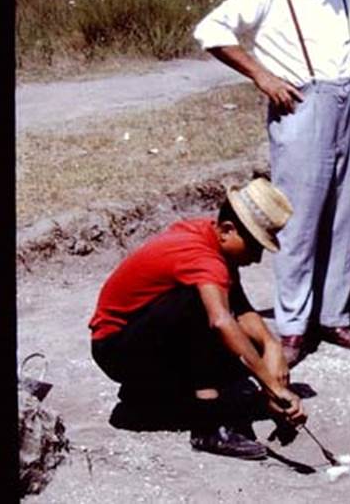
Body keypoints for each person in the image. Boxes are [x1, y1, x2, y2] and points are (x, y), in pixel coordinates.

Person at [194, 0, 350, 365]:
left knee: (344, 214)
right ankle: (293, 326)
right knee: (298, 218)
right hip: (301, 105)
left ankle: (333, 315)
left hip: (348, 103)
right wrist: (261, 75)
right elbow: (211, 29)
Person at [89, 178, 306, 460]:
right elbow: (222, 321)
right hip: (116, 350)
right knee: (206, 314)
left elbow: (240, 307)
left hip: (137, 338)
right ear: (228, 230)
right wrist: (272, 386)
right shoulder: (203, 258)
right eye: (255, 246)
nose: (257, 257)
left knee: (238, 357)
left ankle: (146, 398)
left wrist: (271, 346)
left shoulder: (209, 235)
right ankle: (209, 428)